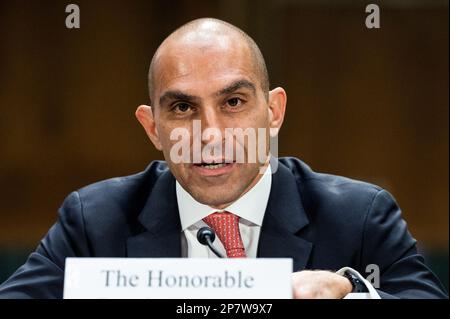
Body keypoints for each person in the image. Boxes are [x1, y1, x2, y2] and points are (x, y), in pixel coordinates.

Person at [0, 18, 447, 299]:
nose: (209, 134)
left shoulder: (358, 215)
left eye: (233, 102)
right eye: (182, 108)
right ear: (152, 128)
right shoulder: (94, 222)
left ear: (273, 112)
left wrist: (352, 293)